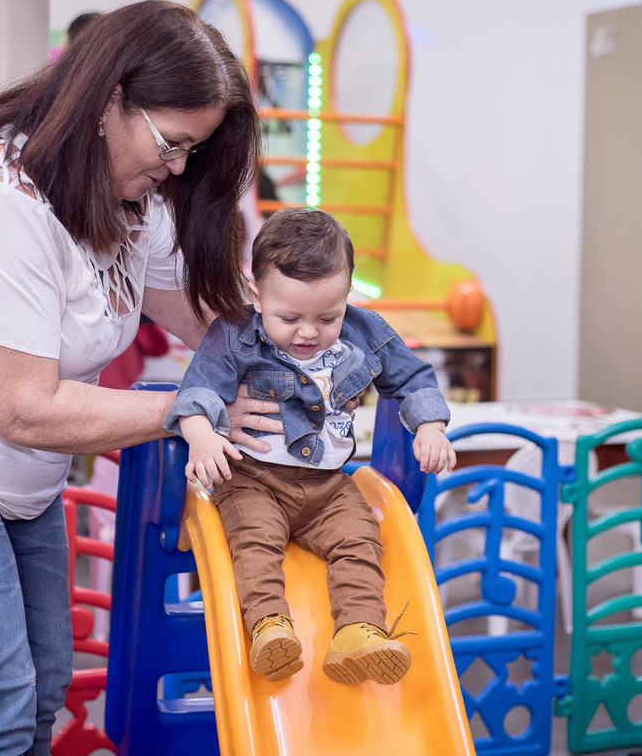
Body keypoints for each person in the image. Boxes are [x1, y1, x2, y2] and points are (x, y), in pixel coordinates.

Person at [0, 0, 273, 755]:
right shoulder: (0, 200)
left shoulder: (133, 192)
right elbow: (23, 408)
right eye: (172, 143)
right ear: (108, 103)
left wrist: (297, 343)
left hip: (14, 473)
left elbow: (199, 311)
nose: (180, 167)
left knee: (41, 688)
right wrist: (195, 407)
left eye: (194, 149)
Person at [165, 207, 457, 686]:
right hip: (254, 480)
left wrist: (430, 427)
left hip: (329, 487)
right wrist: (200, 434)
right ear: (257, 296)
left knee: (363, 540)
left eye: (328, 316)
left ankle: (358, 632)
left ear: (347, 297)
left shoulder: (365, 333)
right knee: (254, 541)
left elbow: (414, 377)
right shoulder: (234, 335)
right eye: (290, 317)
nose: (307, 332)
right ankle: (269, 627)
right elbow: (196, 392)